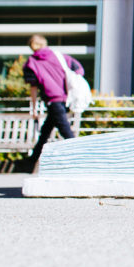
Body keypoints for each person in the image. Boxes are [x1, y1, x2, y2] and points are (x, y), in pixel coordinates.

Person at [22, 34, 84, 167]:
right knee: (45, 131)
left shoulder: (31, 62)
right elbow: (79, 69)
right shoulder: (60, 56)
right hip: (65, 98)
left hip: (52, 100)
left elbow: (33, 88)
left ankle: (82, 159)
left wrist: (33, 109)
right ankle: (32, 161)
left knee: (65, 131)